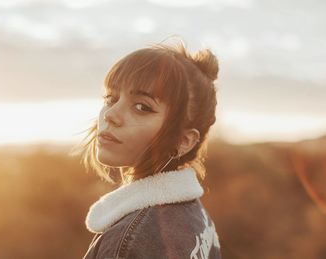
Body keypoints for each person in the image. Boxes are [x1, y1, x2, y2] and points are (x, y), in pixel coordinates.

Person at [76, 38, 221, 259]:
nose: (110, 115)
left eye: (142, 107)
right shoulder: (197, 217)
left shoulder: (129, 242)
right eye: (111, 98)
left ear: (183, 141)